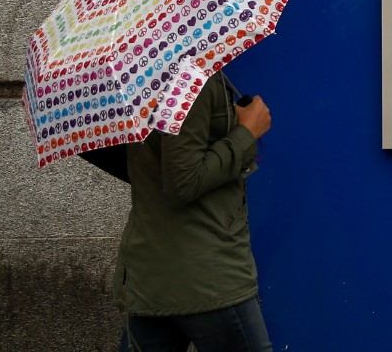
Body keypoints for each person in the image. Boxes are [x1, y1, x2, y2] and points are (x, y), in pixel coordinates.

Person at [114, 70, 273, 352]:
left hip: (154, 273)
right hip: (205, 274)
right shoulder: (189, 73)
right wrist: (245, 134)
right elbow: (183, 181)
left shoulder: (145, 71)